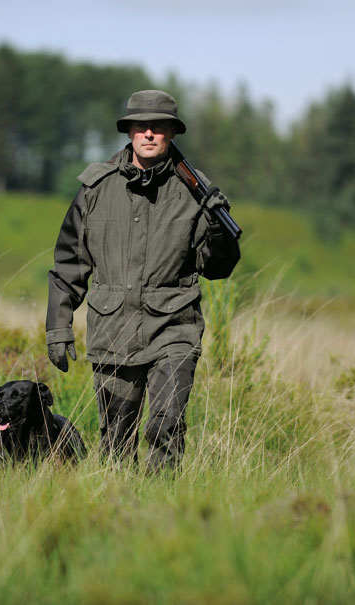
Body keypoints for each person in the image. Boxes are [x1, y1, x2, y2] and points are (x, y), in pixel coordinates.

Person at [46, 89, 240, 471]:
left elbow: (217, 267)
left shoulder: (195, 192)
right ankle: (121, 513)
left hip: (174, 329)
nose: (149, 134)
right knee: (117, 440)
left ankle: (163, 514)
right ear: (130, 131)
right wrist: (58, 326)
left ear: (171, 133)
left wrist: (218, 230)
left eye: (159, 127)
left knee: (168, 423)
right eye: (141, 126)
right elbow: (69, 264)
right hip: (112, 331)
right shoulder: (96, 190)